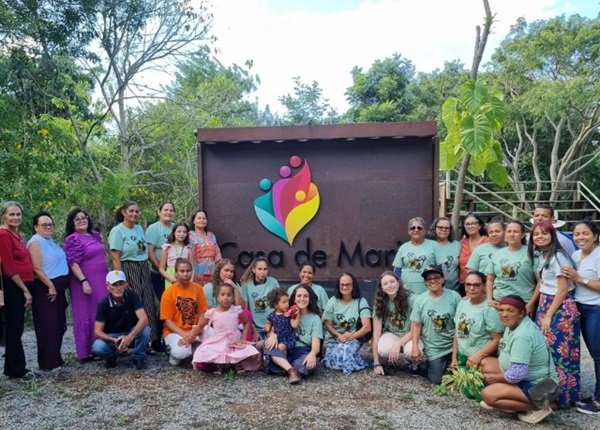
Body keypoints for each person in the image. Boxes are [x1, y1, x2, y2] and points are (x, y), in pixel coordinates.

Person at [480, 295, 558, 424]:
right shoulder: (514, 323)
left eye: (510, 311)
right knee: (486, 363)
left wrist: (496, 378)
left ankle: (540, 406)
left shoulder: (523, 335)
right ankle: (514, 401)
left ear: (521, 313)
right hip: (524, 379)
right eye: (501, 310)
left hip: (542, 387)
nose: (504, 314)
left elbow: (517, 374)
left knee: (488, 395)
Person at [528, 220, 580, 408]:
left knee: (559, 354)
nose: (540, 236)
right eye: (536, 234)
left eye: (544, 233)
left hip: (559, 307)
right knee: (546, 352)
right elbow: (542, 284)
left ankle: (562, 397)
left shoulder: (558, 257)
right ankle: (550, 394)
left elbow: (562, 289)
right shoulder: (542, 256)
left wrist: (549, 314)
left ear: (552, 235)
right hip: (545, 303)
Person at [108, 200, 161, 353]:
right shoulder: (118, 231)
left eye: (137, 211)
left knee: (149, 303)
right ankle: (134, 343)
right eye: (131, 211)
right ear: (124, 212)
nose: (134, 214)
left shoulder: (138, 228)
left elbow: (144, 250)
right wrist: (122, 280)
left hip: (143, 267)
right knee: (134, 304)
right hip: (128, 268)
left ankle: (151, 341)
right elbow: (115, 257)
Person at [561, 220, 600, 414]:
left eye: (585, 233)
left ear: (595, 236)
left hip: (596, 308)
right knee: (593, 353)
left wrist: (579, 278)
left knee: (598, 354)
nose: (580, 237)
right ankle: (596, 394)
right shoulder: (576, 255)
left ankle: (599, 400)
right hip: (580, 306)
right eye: (577, 234)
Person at [63, 208, 109, 362]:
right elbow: (73, 263)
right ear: (72, 223)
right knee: (86, 313)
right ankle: (85, 351)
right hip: (84, 281)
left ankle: (101, 346)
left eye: (84, 218)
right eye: (78, 219)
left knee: (101, 310)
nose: (82, 220)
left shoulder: (95, 235)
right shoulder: (72, 239)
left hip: (101, 279)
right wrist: (83, 281)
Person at [27, 211, 69, 370]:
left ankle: (55, 358)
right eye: (44, 224)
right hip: (45, 289)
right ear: (36, 227)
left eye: (50, 224)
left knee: (58, 324)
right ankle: (47, 362)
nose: (48, 226)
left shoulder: (50, 240)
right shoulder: (35, 242)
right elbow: (37, 268)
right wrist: (50, 285)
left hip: (57, 288)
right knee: (48, 325)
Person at [192, 283, 261, 374]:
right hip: (218, 340)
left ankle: (236, 363)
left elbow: (247, 322)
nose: (226, 298)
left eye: (229, 295)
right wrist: (190, 336)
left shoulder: (236, 310)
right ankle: (218, 364)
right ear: (217, 297)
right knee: (205, 350)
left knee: (243, 350)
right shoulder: (212, 312)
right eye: (222, 294)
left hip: (234, 340)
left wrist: (243, 338)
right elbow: (200, 326)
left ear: (233, 298)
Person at [0, 201, 35, 379]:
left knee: (17, 327)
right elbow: (9, 267)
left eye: (18, 214)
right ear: (4, 216)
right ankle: (16, 369)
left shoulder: (17, 235)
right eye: (11, 214)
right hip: (13, 286)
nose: (15, 217)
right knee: (14, 328)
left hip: (22, 284)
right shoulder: (4, 235)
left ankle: (12, 367)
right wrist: (25, 290)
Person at [410, 265, 461, 384]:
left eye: (436, 277)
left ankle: (447, 363)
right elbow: (416, 325)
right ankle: (428, 365)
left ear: (443, 279)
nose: (433, 280)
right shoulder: (420, 300)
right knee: (437, 380)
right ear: (425, 282)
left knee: (460, 376)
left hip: (454, 344)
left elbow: (460, 324)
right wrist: (415, 346)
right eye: (429, 279)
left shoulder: (455, 297)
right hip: (434, 348)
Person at [263, 284, 323, 384]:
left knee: (308, 365)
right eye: (299, 296)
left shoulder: (315, 318)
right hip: (283, 347)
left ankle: (284, 367)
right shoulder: (285, 312)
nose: (302, 299)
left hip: (302, 350)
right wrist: (272, 335)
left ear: (310, 298)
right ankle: (291, 370)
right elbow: (273, 324)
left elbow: (316, 343)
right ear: (294, 299)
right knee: (269, 345)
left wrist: (312, 354)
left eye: (305, 296)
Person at [92, 270, 151, 370]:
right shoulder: (103, 304)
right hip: (113, 336)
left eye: (121, 284)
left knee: (146, 329)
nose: (118, 288)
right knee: (98, 347)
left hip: (131, 332)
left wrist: (130, 336)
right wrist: (114, 340)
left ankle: (139, 357)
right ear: (107, 286)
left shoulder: (133, 296)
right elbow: (97, 331)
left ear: (125, 284)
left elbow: (144, 319)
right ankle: (111, 357)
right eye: (114, 285)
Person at [450, 271, 503, 371]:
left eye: (476, 285)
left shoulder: (490, 308)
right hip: (462, 356)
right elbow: (457, 332)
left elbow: (497, 339)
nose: (471, 288)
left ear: (484, 286)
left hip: (480, 359)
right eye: (468, 285)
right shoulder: (463, 303)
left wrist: (479, 355)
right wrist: (454, 357)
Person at [160, 258, 208, 366]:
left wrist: (194, 332)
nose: (186, 274)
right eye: (182, 271)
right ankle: (173, 352)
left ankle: (195, 349)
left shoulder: (198, 289)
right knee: (181, 353)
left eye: (188, 271)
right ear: (176, 273)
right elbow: (167, 321)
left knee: (213, 334)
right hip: (175, 332)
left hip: (195, 329)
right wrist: (185, 335)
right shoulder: (168, 293)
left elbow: (203, 313)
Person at [323, 272, 372, 375]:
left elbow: (367, 327)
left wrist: (351, 336)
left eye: (348, 284)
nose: (345, 287)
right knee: (333, 360)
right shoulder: (333, 301)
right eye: (342, 284)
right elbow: (327, 324)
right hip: (334, 338)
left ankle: (351, 362)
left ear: (353, 285)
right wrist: (338, 335)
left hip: (353, 338)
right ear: (338, 285)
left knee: (345, 351)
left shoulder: (361, 301)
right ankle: (354, 362)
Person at [372, 271, 419, 376]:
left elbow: (415, 329)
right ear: (382, 288)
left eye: (392, 281)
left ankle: (414, 363)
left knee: (409, 350)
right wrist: (376, 363)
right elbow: (376, 334)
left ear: (398, 282)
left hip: (411, 334)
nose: (389, 285)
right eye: (385, 284)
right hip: (393, 333)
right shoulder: (380, 303)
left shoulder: (412, 299)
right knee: (383, 349)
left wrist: (398, 343)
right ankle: (392, 360)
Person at [486, 220, 536, 313]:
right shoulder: (496, 255)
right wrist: (489, 299)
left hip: (523, 302)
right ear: (505, 234)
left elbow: (540, 282)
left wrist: (531, 303)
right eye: (509, 231)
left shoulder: (531, 253)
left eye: (515, 232)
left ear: (522, 235)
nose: (512, 234)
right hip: (499, 302)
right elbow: (490, 279)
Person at [392, 217, 436, 295]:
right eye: (413, 228)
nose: (416, 230)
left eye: (419, 228)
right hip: (407, 292)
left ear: (424, 231)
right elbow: (397, 270)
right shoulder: (403, 248)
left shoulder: (434, 245)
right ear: (409, 231)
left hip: (429, 292)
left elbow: (442, 267)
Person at [239, 257, 280, 338]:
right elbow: (245, 309)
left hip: (272, 327)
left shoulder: (273, 282)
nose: (262, 272)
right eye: (260, 269)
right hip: (255, 329)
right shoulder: (246, 284)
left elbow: (279, 305)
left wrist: (273, 326)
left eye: (265, 269)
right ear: (254, 270)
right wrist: (252, 329)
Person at [146, 202, 175, 301]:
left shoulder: (176, 228)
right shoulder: (153, 228)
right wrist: (162, 269)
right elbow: (150, 251)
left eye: (171, 210)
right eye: (166, 210)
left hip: (175, 273)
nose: (168, 212)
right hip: (159, 273)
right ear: (159, 212)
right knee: (164, 300)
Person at [459, 213, 490, 293]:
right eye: (467, 224)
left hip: (483, 285)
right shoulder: (461, 243)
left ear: (479, 226)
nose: (470, 226)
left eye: (473, 223)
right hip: (464, 284)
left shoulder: (488, 242)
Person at [189, 210, 221, 285]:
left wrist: (219, 269)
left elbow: (218, 254)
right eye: (199, 218)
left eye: (204, 218)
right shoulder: (189, 236)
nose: (202, 220)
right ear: (193, 221)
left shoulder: (211, 235)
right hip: (197, 271)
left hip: (212, 270)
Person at [158, 221, 193, 290]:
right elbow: (161, 269)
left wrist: (191, 280)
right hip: (171, 278)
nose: (181, 234)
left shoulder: (188, 248)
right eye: (179, 231)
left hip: (185, 277)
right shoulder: (167, 247)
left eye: (184, 232)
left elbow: (192, 267)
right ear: (174, 233)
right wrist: (172, 279)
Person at [264, 288, 300, 354]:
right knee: (260, 344)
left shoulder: (289, 314)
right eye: (284, 302)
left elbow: (294, 325)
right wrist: (268, 328)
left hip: (288, 340)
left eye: (287, 301)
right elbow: (268, 324)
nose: (287, 304)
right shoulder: (272, 315)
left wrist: (297, 315)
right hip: (276, 339)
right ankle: (261, 362)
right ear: (276, 305)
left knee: (280, 347)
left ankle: (283, 363)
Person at [430, 217, 460, 292]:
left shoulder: (457, 245)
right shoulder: (428, 245)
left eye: (447, 228)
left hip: (454, 289)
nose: (444, 229)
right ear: (434, 228)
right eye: (440, 227)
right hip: (433, 289)